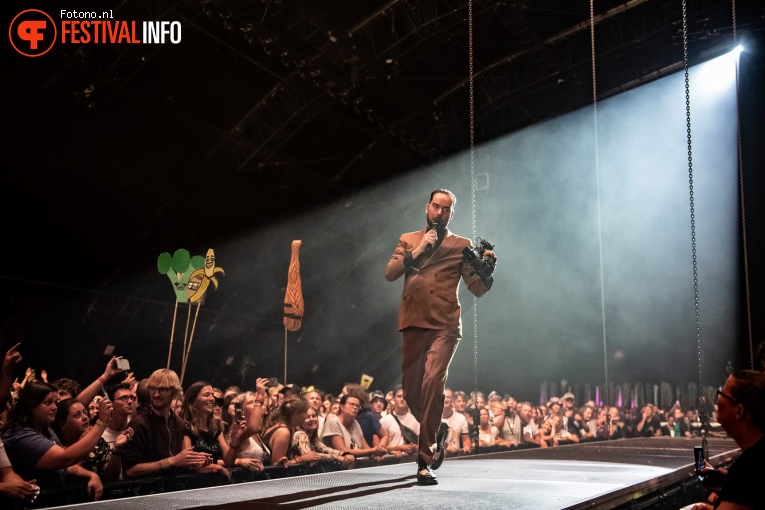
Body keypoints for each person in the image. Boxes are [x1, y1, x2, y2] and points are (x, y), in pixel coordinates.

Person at [385, 189, 496, 485]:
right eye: (436, 207)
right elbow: (390, 272)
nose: (439, 213)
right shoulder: (409, 239)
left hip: (445, 324)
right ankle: (437, 430)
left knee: (433, 382)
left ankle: (424, 460)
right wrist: (420, 250)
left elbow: (477, 288)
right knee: (410, 393)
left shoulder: (461, 245)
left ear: (451, 214)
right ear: (427, 208)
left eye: (446, 209)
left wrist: (487, 270)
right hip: (412, 321)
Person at [1, 381, 108, 499]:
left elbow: (65, 467)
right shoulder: (21, 435)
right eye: (48, 403)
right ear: (31, 406)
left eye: (55, 402)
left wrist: (91, 475)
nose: (54, 408)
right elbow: (65, 458)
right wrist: (101, 422)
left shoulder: (46, 429)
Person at [690, 370, 765, 510]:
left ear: (739, 411)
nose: (717, 399)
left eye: (722, 393)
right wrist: (727, 485)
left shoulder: (751, 466)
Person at [121, 369, 210, 479]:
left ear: (174, 392)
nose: (156, 394)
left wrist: (195, 464)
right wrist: (172, 461)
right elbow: (129, 471)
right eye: (153, 389)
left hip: (173, 491)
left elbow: (178, 464)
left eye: (162, 389)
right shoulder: (138, 424)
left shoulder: (179, 423)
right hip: (148, 493)